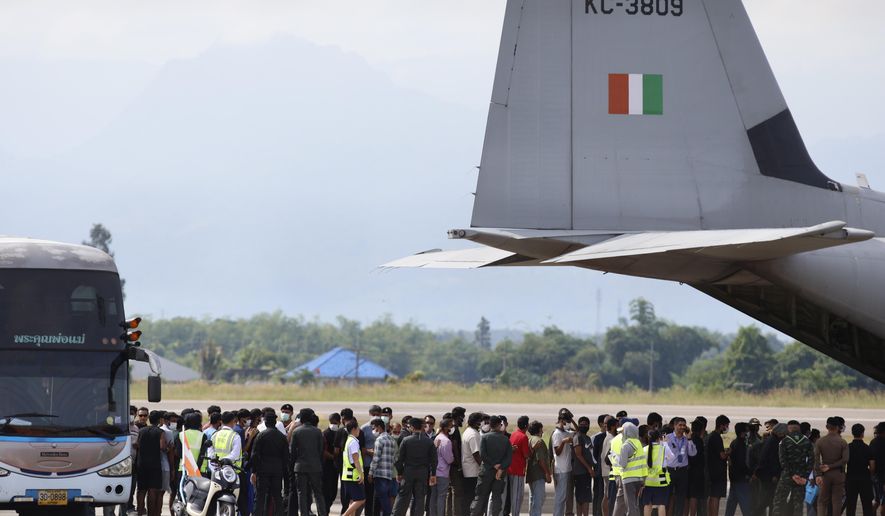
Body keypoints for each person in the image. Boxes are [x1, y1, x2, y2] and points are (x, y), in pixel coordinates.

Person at [393, 417, 438, 516]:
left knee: (403, 497)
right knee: (419, 499)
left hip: (408, 472)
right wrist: (433, 474)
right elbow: (434, 460)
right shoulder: (429, 441)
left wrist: (399, 473)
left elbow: (399, 459)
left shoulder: (406, 440)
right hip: (423, 473)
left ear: (412, 427)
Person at [470, 415, 512, 516]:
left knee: (480, 497)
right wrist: (500, 467)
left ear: (490, 425)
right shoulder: (505, 440)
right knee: (497, 498)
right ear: (499, 425)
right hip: (499, 474)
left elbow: (483, 455)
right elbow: (509, 458)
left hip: (486, 471)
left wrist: (493, 465)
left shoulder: (484, 437)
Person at [251, 411, 290, 516]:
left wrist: (254, 471)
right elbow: (286, 456)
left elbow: (254, 455)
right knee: (277, 496)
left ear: (266, 422)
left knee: (260, 496)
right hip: (277, 470)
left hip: (263, 470)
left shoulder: (261, 435)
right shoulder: (282, 437)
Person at [292, 409, 329, 516]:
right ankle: (322, 513)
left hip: (300, 466)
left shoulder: (296, 431)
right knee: (318, 493)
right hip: (315, 466)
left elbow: (293, 451)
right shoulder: (317, 431)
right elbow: (321, 450)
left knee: (301, 493)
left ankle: (304, 513)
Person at [772, 421, 813, 516]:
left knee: (778, 501)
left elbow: (783, 461)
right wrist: (805, 476)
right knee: (798, 505)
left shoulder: (784, 441)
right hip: (801, 477)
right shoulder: (807, 441)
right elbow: (811, 461)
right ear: (798, 428)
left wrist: (792, 474)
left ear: (789, 428)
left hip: (787, 476)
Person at [814, 416, 849, 516]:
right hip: (838, 474)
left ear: (826, 427)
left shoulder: (820, 441)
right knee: (836, 501)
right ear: (838, 427)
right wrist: (832, 466)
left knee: (822, 501)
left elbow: (816, 459)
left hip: (825, 475)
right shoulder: (842, 442)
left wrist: (818, 474)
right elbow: (845, 459)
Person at [136, 411, 167, 516]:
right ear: (159, 420)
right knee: (152, 491)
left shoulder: (142, 430)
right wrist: (168, 448)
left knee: (141, 490)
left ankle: (140, 511)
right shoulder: (160, 432)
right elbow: (162, 447)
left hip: (141, 464)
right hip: (154, 464)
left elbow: (137, 444)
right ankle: (150, 513)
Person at [664, 417, 696, 516]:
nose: (682, 427)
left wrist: (690, 439)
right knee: (668, 497)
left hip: (682, 471)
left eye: (684, 425)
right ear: (674, 426)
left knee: (681, 498)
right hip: (670, 471)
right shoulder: (667, 437)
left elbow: (693, 453)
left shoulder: (686, 439)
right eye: (680, 425)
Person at [612, 422, 646, 516]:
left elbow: (623, 464)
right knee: (635, 505)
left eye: (623, 432)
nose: (621, 434)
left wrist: (615, 457)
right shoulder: (638, 443)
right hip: (639, 479)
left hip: (629, 480)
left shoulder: (625, 445)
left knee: (630, 507)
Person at [753, 423, 785, 516]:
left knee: (769, 500)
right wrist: (775, 474)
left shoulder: (771, 440)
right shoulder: (774, 443)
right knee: (767, 500)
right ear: (780, 433)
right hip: (769, 476)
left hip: (765, 475)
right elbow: (773, 460)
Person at [370, 417, 398, 516]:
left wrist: (370, 473)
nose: (373, 430)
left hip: (380, 474)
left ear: (379, 427)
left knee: (383, 498)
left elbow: (376, 458)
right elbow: (395, 458)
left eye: (373, 428)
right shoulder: (391, 439)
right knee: (383, 497)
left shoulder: (379, 440)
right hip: (389, 474)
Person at [846, 423, 875, 516]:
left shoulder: (848, 447)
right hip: (865, 478)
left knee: (850, 505)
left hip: (850, 478)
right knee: (867, 506)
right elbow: (872, 466)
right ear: (863, 433)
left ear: (852, 433)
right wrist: (870, 475)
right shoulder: (867, 448)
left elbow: (843, 463)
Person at [642, 429, 673, 516]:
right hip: (661, 482)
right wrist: (665, 443)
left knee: (647, 504)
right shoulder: (663, 449)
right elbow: (672, 458)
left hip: (648, 481)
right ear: (659, 438)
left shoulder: (644, 449)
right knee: (661, 504)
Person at [724, 423, 751, 516]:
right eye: (747, 430)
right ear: (743, 432)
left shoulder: (734, 442)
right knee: (746, 505)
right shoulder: (741, 445)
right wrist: (749, 473)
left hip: (734, 477)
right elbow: (741, 463)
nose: (748, 432)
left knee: (731, 504)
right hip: (741, 478)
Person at [552, 410, 575, 516]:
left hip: (567, 469)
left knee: (565, 496)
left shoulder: (566, 432)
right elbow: (557, 452)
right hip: (561, 470)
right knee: (560, 497)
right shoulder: (557, 434)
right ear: (561, 421)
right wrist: (563, 442)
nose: (568, 424)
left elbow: (578, 432)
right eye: (566, 421)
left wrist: (572, 420)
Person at [341, 420, 367, 516]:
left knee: (353, 500)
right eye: (358, 428)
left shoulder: (348, 440)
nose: (359, 430)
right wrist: (361, 474)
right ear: (353, 429)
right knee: (361, 499)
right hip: (353, 475)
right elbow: (356, 460)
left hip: (348, 475)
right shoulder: (353, 442)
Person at [507, 416, 531, 516]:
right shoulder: (523, 437)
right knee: (517, 497)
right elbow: (526, 455)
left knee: (514, 495)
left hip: (511, 469)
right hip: (517, 470)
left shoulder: (513, 434)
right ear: (526, 425)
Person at [526, 421, 551, 516]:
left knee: (533, 498)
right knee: (538, 499)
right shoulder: (539, 441)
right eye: (541, 429)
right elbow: (541, 460)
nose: (542, 431)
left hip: (531, 474)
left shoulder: (530, 439)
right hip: (538, 474)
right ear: (539, 430)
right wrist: (547, 473)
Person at [572, 417, 597, 516]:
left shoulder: (587, 438)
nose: (584, 426)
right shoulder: (578, 437)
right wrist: (589, 468)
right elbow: (578, 454)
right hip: (580, 472)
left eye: (586, 424)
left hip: (585, 472)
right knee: (582, 499)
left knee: (584, 498)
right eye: (581, 424)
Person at [431, 418, 456, 516]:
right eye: (451, 426)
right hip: (442, 473)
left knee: (433, 497)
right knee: (441, 497)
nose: (452, 428)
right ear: (446, 428)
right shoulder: (446, 441)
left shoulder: (436, 438)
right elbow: (449, 459)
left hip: (433, 472)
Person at [461, 412, 484, 516]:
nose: (482, 423)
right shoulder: (473, 435)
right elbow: (476, 454)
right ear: (477, 422)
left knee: (468, 498)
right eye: (481, 421)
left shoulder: (468, 431)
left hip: (468, 470)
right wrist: (483, 467)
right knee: (472, 498)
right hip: (472, 472)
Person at [707, 415, 730, 516]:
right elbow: (722, 456)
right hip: (717, 472)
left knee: (712, 497)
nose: (727, 428)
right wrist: (729, 452)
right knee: (715, 497)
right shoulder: (716, 437)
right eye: (726, 425)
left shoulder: (711, 436)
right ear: (721, 425)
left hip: (711, 471)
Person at [448, 406, 467, 516]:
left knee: (450, 492)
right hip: (455, 466)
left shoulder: (452, 428)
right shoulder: (454, 429)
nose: (463, 419)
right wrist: (459, 464)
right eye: (462, 416)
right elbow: (455, 446)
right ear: (458, 417)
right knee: (456, 492)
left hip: (451, 464)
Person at [685, 417, 706, 516]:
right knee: (694, 496)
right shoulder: (699, 440)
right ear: (702, 430)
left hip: (688, 470)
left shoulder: (688, 438)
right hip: (697, 471)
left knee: (687, 496)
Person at [323, 413, 342, 511]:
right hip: (327, 466)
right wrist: (333, 457)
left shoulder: (341, 433)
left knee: (333, 492)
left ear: (339, 422)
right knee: (327, 491)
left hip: (336, 467)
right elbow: (323, 450)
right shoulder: (325, 433)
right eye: (332, 422)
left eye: (335, 422)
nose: (333, 424)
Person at [600, 417, 619, 516]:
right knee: (608, 495)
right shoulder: (611, 439)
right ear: (612, 427)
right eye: (617, 426)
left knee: (607, 494)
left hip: (606, 471)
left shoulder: (609, 437)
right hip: (608, 471)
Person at [593, 415, 610, 516]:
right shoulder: (598, 438)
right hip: (600, 471)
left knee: (605, 495)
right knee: (599, 494)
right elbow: (595, 455)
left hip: (605, 471)